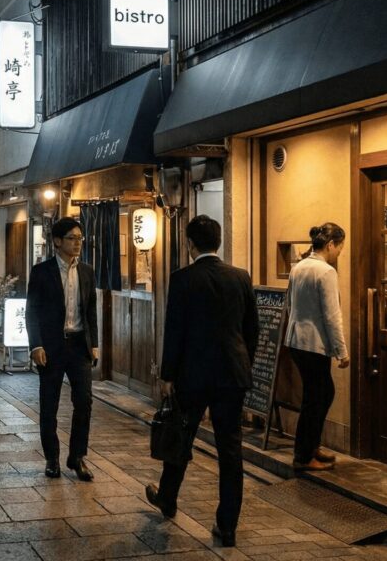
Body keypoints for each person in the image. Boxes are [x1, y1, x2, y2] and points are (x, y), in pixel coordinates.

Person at [145, 216, 258, 548]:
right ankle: (228, 526)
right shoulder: (240, 277)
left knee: (181, 438)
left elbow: (174, 331)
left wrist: (167, 376)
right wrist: (243, 362)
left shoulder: (182, 279)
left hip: (192, 376)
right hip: (232, 376)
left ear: (190, 243)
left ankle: (167, 498)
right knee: (230, 450)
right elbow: (251, 329)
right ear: (218, 242)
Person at [26, 217, 98, 481]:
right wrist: (36, 345)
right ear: (57, 241)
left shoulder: (87, 271)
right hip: (52, 347)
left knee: (85, 402)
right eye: (71, 238)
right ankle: (52, 459)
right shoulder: (41, 271)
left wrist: (95, 344)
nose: (77, 243)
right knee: (49, 405)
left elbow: (90, 309)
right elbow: (31, 310)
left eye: (80, 238)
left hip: (79, 345)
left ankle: (77, 457)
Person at [285, 222, 350, 472]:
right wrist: (341, 351)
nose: (339, 254)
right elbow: (332, 315)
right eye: (340, 249)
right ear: (331, 244)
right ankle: (303, 456)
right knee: (317, 398)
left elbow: (290, 304)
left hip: (296, 340)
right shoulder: (325, 272)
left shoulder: (298, 267)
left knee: (320, 394)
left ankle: (311, 446)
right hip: (313, 343)